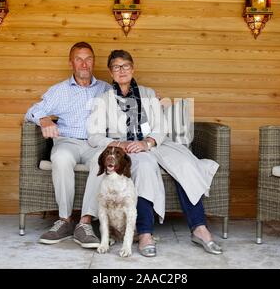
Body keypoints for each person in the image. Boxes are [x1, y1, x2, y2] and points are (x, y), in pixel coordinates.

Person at [85, 49, 223, 257]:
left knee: (185, 165)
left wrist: (147, 142)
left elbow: (161, 128)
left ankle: (199, 228)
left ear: (133, 68)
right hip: (127, 150)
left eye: (126, 66)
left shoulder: (148, 93)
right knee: (145, 166)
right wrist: (119, 143)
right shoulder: (103, 99)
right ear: (110, 72)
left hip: (154, 145)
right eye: (116, 67)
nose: (121, 70)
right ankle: (145, 233)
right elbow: (94, 136)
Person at [25, 42, 111, 248]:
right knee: (60, 157)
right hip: (67, 142)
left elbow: (130, 104)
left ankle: (85, 223)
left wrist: (154, 101)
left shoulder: (106, 89)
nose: (84, 64)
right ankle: (64, 220)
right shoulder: (59, 90)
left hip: (95, 144)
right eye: (79, 59)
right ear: (71, 62)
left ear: (94, 62)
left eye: (88, 59)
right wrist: (44, 120)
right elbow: (31, 111)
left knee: (103, 159)